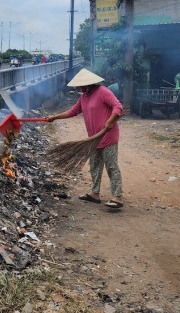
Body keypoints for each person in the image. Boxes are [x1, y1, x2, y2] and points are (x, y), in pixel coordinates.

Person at [47, 68, 124, 209]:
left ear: (87, 84)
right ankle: (95, 194)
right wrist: (54, 117)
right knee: (94, 165)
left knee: (111, 166)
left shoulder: (103, 92)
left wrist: (110, 121)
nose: (78, 88)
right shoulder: (84, 97)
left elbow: (118, 107)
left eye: (79, 85)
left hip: (108, 136)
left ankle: (117, 196)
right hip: (93, 138)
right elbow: (72, 112)